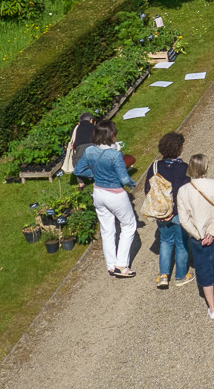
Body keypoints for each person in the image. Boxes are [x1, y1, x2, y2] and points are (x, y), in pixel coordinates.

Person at [74, 119, 138, 278]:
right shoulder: (115, 155)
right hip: (115, 194)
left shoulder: (89, 151)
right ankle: (121, 265)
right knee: (129, 226)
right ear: (110, 135)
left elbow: (78, 170)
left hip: (98, 193)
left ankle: (111, 266)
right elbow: (123, 179)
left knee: (107, 230)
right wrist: (132, 183)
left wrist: (93, 175)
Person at [178, 153, 214, 319]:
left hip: (198, 237)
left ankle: (212, 309)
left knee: (204, 270)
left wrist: (199, 235)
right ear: (205, 167)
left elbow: (184, 219)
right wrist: (212, 232)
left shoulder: (183, 191)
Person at [143, 132, 192, 290]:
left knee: (165, 241)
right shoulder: (184, 168)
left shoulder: (155, 166)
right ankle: (181, 275)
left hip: (161, 212)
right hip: (177, 213)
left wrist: (159, 210)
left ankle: (163, 275)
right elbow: (184, 193)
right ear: (178, 149)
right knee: (181, 243)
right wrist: (175, 211)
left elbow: (148, 190)